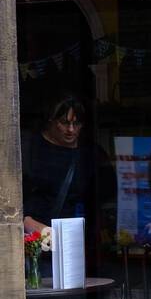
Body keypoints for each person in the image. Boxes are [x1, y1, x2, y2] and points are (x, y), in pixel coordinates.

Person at [22, 95, 97, 236]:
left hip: (71, 235)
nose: (71, 129)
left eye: (77, 124)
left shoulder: (88, 154)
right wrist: (27, 222)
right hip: (33, 236)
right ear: (51, 121)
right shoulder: (29, 147)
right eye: (64, 122)